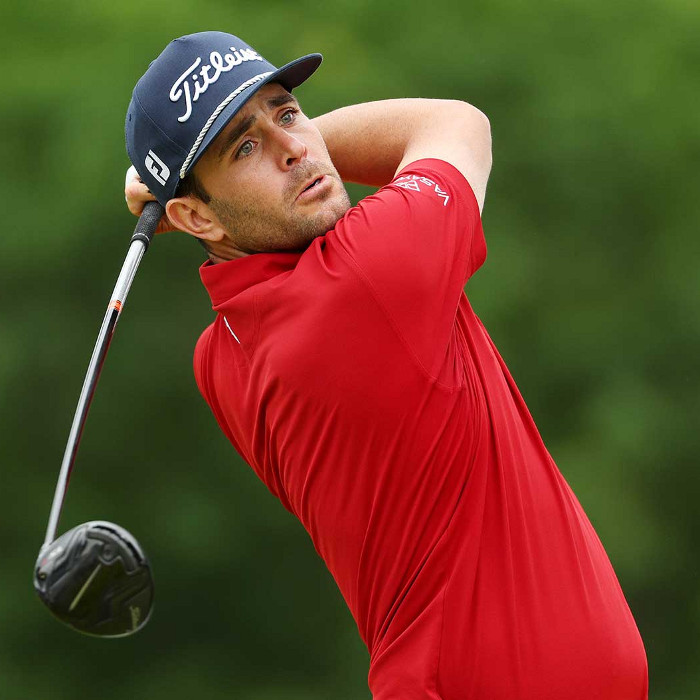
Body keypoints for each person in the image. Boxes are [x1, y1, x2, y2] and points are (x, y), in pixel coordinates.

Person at [124, 31, 648, 700]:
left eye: (288, 112)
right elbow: (456, 123)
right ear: (193, 217)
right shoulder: (367, 276)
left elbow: (255, 221)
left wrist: (208, 192)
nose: (295, 147)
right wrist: (244, 174)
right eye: (245, 147)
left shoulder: (219, 356)